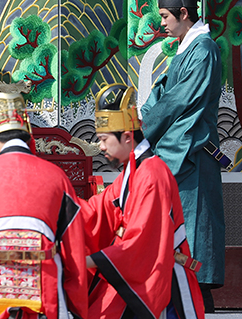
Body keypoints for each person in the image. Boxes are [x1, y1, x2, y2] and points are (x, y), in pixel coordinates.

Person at [0, 92, 87, 319]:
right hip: (45, 284)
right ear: (29, 138)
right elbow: (74, 250)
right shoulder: (57, 177)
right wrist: (77, 308)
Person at [140, 0, 225, 311]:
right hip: (182, 156)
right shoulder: (186, 49)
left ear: (183, 14)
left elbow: (181, 104)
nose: (162, 23)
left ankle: (202, 305)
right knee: (181, 242)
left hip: (191, 157)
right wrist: (145, 115)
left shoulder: (203, 50)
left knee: (194, 242)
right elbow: (162, 91)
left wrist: (148, 138)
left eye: (164, 16)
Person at [84, 83, 204, 318]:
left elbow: (143, 243)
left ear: (127, 137)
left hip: (160, 282)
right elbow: (96, 211)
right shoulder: (132, 173)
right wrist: (57, 209)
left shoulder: (152, 173)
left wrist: (86, 260)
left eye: (104, 139)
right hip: (140, 272)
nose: (100, 147)